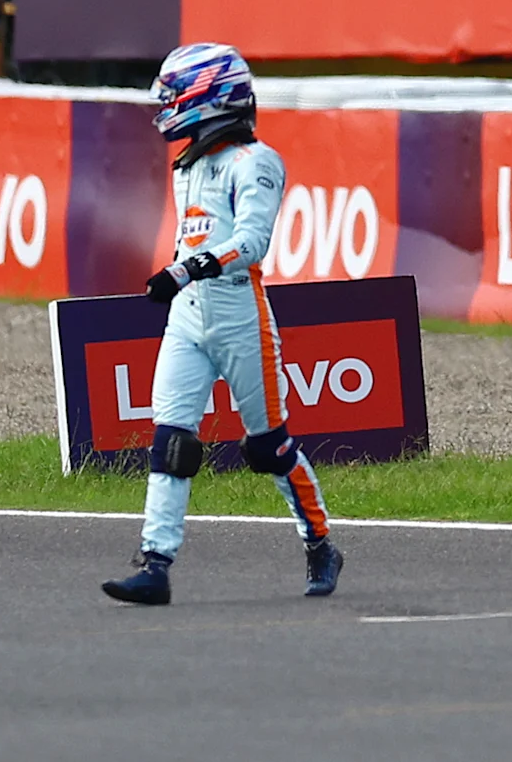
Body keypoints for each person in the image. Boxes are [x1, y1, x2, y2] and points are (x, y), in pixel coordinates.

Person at [98, 43, 343, 607]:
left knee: (267, 448)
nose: (166, 107)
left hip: (238, 312)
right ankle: (154, 564)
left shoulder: (257, 162)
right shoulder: (190, 164)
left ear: (209, 97)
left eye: (174, 96)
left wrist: (183, 270)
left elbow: (251, 243)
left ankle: (320, 542)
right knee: (172, 439)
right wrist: (183, 276)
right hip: (188, 313)